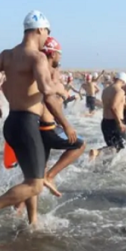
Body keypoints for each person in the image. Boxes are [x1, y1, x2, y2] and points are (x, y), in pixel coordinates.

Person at [0, 11, 77, 240]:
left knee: (31, 178)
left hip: (12, 122)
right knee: (36, 185)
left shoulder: (7, 55)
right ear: (40, 30)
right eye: (47, 32)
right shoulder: (36, 57)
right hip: (27, 124)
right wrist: (66, 124)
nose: (47, 36)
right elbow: (48, 94)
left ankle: (32, 222)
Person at [36, 36, 85, 196]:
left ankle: (20, 210)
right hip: (47, 128)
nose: (60, 59)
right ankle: (50, 176)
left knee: (35, 179)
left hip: (36, 127)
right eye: (60, 55)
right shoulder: (49, 75)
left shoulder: (37, 73)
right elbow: (50, 98)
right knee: (80, 145)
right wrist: (66, 125)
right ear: (52, 54)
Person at [89, 72, 126, 160]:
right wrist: (119, 123)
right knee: (119, 147)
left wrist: (124, 104)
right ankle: (96, 152)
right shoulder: (120, 91)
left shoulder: (105, 90)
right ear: (123, 81)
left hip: (105, 122)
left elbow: (108, 104)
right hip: (115, 122)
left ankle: (97, 160)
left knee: (112, 148)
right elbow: (113, 107)